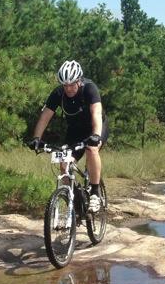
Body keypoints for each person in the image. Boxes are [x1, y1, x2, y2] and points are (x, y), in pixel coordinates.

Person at [29, 60, 108, 212]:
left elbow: (96, 114)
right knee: (64, 163)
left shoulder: (90, 89)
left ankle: (96, 193)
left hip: (96, 126)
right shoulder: (58, 93)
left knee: (92, 149)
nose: (68, 88)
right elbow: (45, 117)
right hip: (75, 131)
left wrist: (96, 135)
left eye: (72, 84)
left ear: (79, 80)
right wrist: (36, 139)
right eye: (65, 85)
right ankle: (72, 201)